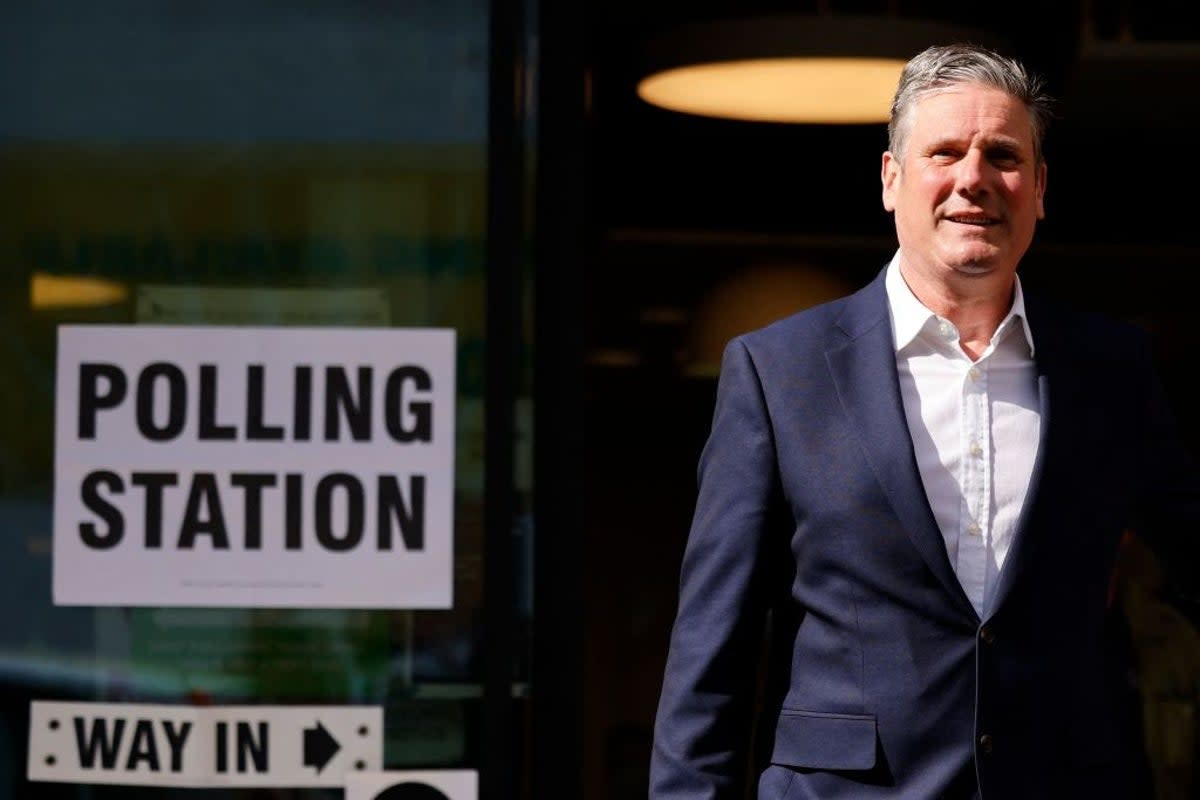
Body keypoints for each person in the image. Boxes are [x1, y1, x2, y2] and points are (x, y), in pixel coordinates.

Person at [649, 42, 1200, 799]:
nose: (974, 178)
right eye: (945, 151)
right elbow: (715, 650)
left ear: (1038, 188)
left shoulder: (1111, 370)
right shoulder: (782, 372)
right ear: (891, 179)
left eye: (1003, 155)